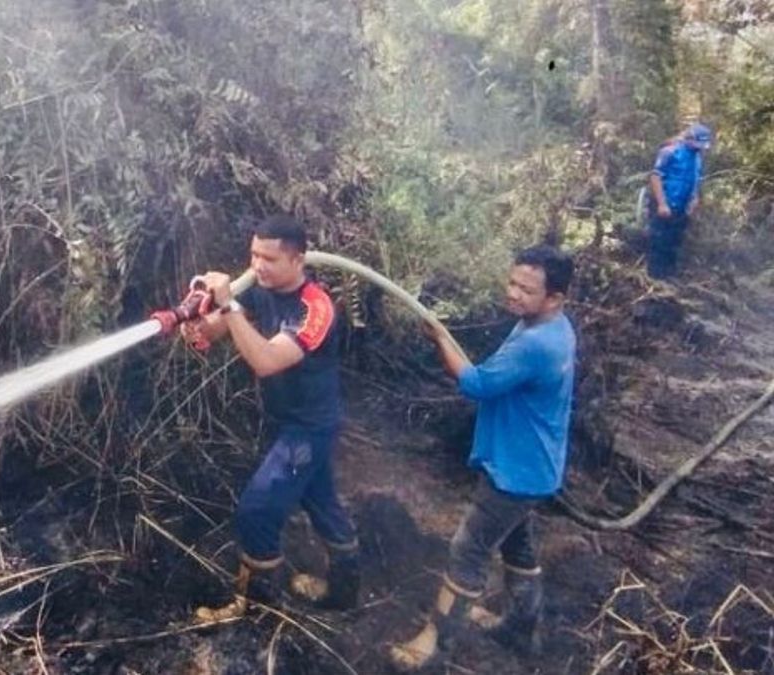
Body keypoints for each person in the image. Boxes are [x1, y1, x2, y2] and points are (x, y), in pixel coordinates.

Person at [389, 245, 576, 671]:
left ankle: (435, 644)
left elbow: (475, 384)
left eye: (526, 290)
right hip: (535, 465)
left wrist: (438, 336)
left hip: (515, 472)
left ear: (555, 299)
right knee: (517, 543)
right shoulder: (553, 326)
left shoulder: (536, 345)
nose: (513, 294)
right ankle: (521, 626)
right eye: (512, 282)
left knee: (468, 548)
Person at [182, 215, 360, 622]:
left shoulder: (315, 308)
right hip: (285, 419)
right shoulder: (262, 288)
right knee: (321, 501)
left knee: (257, 511)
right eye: (253, 255)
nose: (257, 266)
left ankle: (254, 610)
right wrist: (194, 315)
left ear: (298, 260)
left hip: (309, 428)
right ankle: (345, 593)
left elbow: (266, 361)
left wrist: (227, 305)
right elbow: (210, 334)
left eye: (269, 258)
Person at [647, 123, 712, 279]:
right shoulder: (670, 152)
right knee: (659, 242)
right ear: (689, 138)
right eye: (697, 143)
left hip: (682, 207)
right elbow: (655, 177)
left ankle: (670, 277)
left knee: (674, 243)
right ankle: (655, 278)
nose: (700, 148)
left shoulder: (696, 157)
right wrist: (662, 204)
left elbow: (695, 179)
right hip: (664, 204)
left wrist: (695, 198)